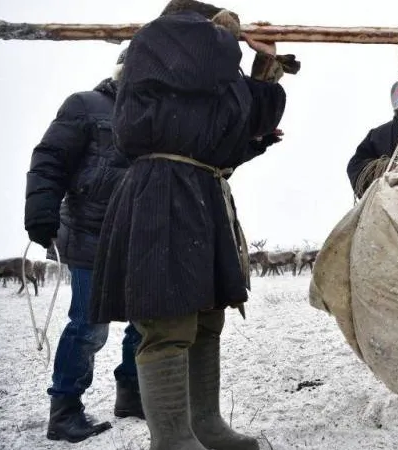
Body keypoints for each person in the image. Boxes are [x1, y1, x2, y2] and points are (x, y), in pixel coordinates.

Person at [88, 0, 296, 448]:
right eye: (214, 31)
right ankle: (173, 440)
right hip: (162, 190)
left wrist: (265, 65)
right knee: (168, 320)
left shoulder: (207, 77)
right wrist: (226, 31)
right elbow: (191, 39)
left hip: (202, 190)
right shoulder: (157, 39)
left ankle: (205, 424)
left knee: (206, 316)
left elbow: (251, 119)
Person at [24, 47, 143, 443]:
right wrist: (41, 210)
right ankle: (65, 409)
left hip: (142, 236)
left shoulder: (155, 117)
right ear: (123, 69)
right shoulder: (85, 105)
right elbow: (50, 157)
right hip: (91, 232)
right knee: (90, 325)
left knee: (147, 321)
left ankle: (132, 393)